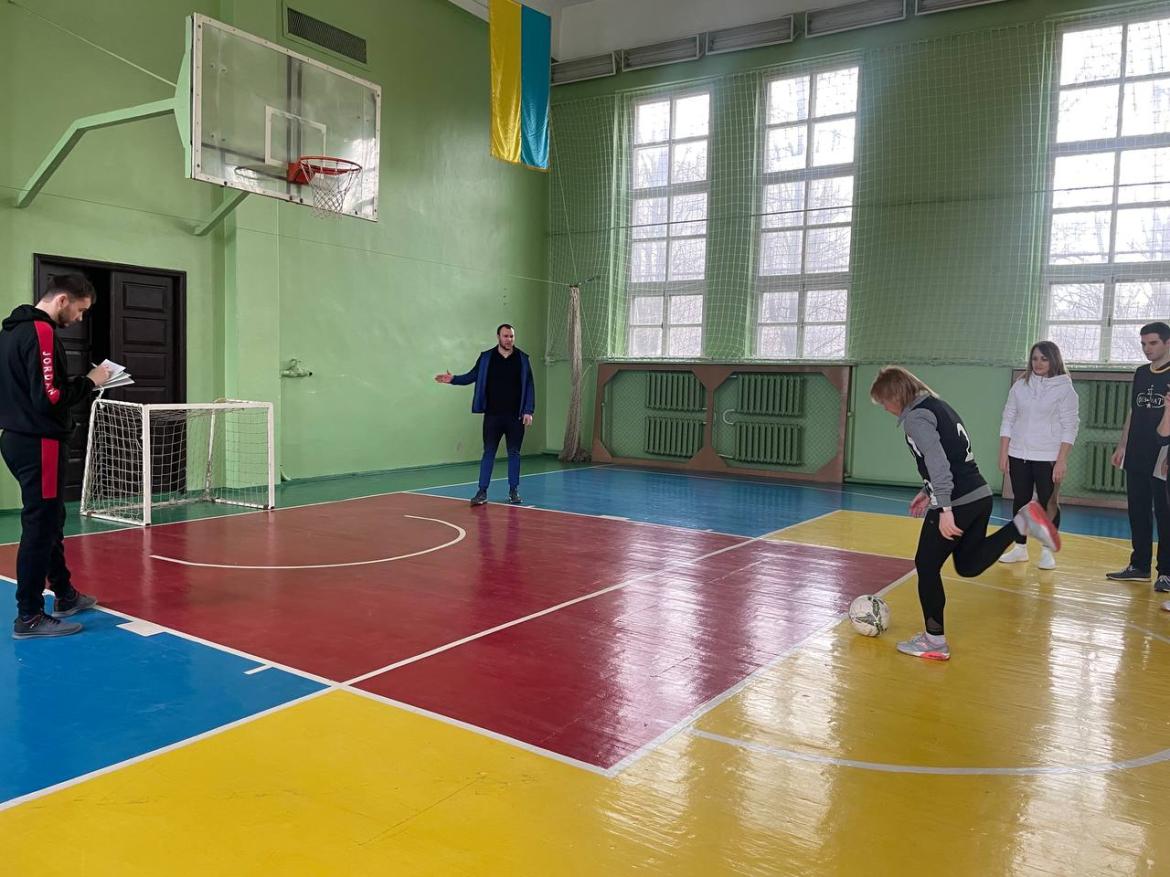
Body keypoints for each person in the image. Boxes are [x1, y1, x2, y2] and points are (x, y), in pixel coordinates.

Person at [871, 366, 1060, 661]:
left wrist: (944, 508)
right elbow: (952, 455)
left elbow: (938, 461)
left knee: (926, 565)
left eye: (884, 401)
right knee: (969, 565)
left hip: (957, 502)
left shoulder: (916, 418)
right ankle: (1022, 522)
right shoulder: (938, 406)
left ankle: (934, 642)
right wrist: (927, 491)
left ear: (896, 394)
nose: (885, 408)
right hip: (978, 495)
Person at [0, 274, 110, 638]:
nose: (79, 318)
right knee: (40, 525)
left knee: (51, 519)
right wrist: (91, 381)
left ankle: (64, 593)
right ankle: (29, 616)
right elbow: (50, 397)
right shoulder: (41, 332)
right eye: (80, 310)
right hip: (39, 442)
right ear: (62, 300)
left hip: (17, 438)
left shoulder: (10, 332)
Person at [997, 341, 1079, 571]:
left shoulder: (1065, 389)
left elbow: (1070, 426)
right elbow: (1008, 417)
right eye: (1034, 358)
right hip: (1019, 454)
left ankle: (1046, 551)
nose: (1038, 363)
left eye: (1044, 358)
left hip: (1049, 456)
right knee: (1020, 501)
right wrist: (1004, 452)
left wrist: (1061, 459)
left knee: (1048, 502)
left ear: (1054, 360)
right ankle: (1020, 548)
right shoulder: (1020, 385)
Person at [435, 324, 535, 506]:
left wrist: (528, 410)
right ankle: (482, 492)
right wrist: (454, 379)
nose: (509, 339)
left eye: (511, 336)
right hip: (492, 416)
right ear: (498, 337)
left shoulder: (522, 358)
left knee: (514, 453)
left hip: (516, 417)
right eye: (505, 336)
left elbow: (529, 385)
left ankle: (514, 491)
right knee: (488, 452)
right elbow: (472, 376)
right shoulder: (486, 358)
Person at [1107, 322, 1170, 591]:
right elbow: (1133, 411)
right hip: (1137, 451)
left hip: (1162, 454)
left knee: (1165, 514)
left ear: (1167, 343)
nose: (1147, 348)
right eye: (1143, 343)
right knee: (1138, 510)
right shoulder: (1141, 373)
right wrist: (1122, 445)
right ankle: (1139, 565)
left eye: (1153, 343)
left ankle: (1166, 572)